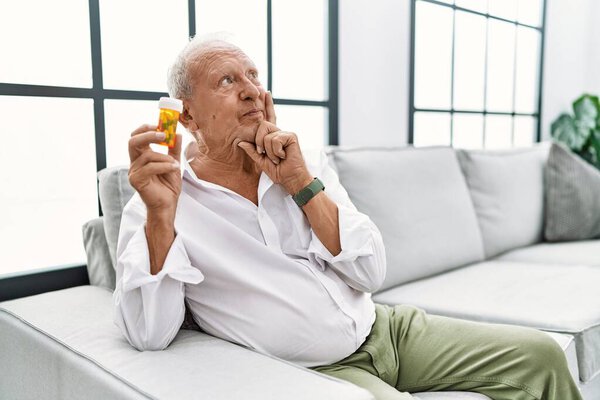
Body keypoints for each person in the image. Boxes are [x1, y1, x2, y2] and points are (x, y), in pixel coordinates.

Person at [113, 36, 583, 400]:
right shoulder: (159, 201)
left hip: (386, 328)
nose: (252, 91)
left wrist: (299, 183)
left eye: (253, 76)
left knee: (540, 356)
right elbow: (149, 333)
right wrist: (160, 217)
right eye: (227, 81)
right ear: (187, 116)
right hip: (319, 370)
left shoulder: (302, 162)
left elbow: (370, 270)